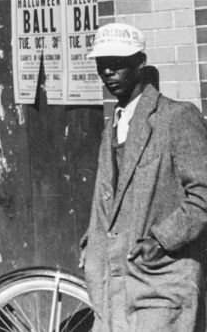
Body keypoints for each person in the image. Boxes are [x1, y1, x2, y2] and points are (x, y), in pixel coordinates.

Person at [82, 22, 207, 331]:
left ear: (140, 64)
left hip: (160, 281)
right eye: (102, 65)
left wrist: (162, 240)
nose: (108, 73)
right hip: (112, 286)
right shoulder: (112, 124)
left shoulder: (176, 117)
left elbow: (203, 193)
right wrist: (92, 244)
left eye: (118, 64)